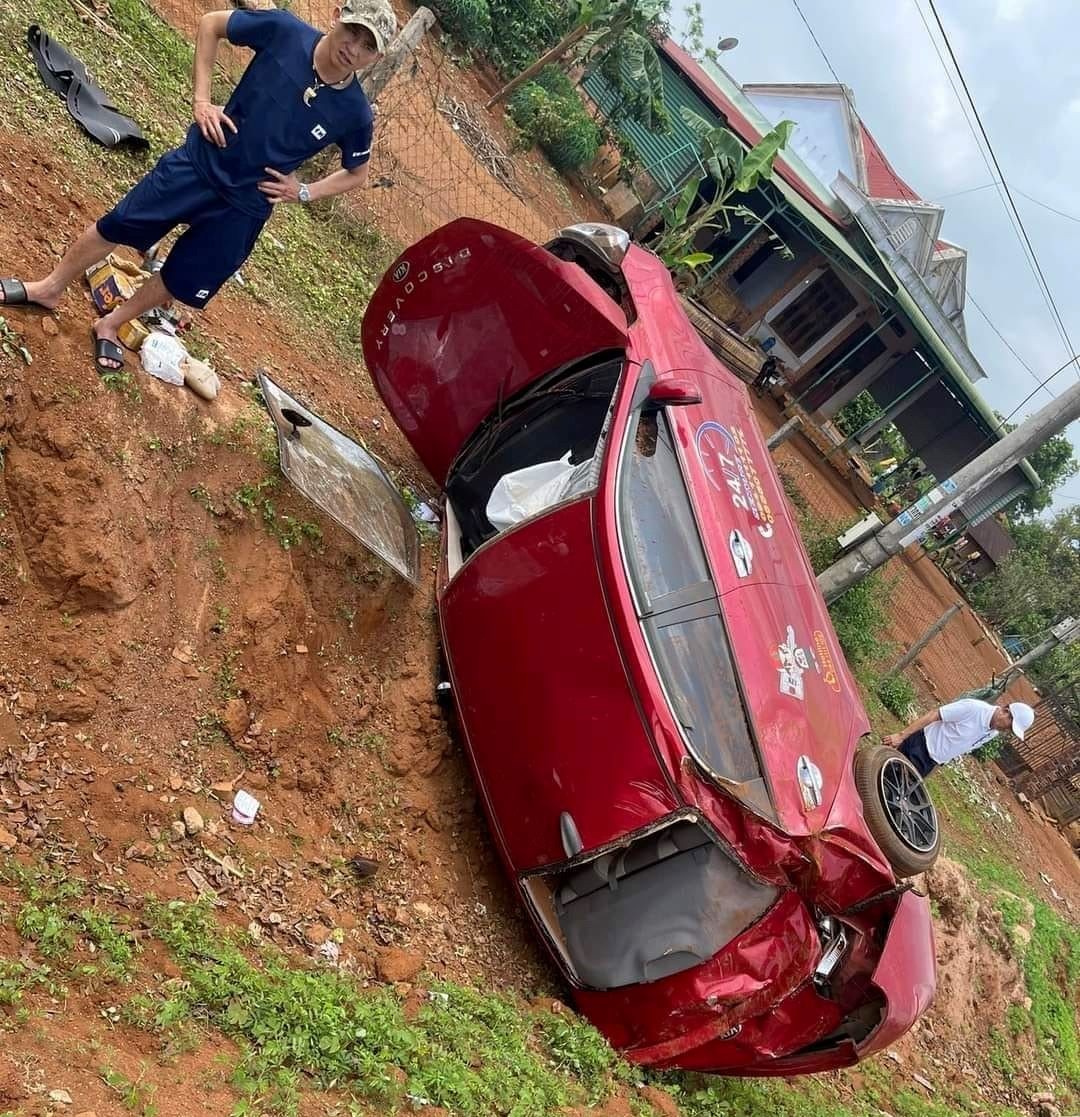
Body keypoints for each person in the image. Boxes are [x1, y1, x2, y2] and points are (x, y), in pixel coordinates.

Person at [0, 0, 396, 372]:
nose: (353, 49)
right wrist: (202, 102)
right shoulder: (284, 30)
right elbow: (211, 25)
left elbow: (357, 172)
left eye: (367, 46)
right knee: (118, 224)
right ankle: (49, 288)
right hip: (201, 163)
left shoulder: (355, 113)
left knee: (181, 277)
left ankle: (111, 324)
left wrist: (304, 190)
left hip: (245, 206)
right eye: (353, 31)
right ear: (338, 15)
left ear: (376, 58)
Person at [883, 697, 1035, 778]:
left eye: (1010, 730)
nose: (1006, 731)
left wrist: (933, 767)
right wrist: (901, 736)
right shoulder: (973, 708)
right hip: (919, 745)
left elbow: (958, 748)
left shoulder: (992, 732)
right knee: (882, 776)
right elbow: (935, 714)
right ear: (1005, 711)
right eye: (1009, 726)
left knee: (897, 792)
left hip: (930, 762)